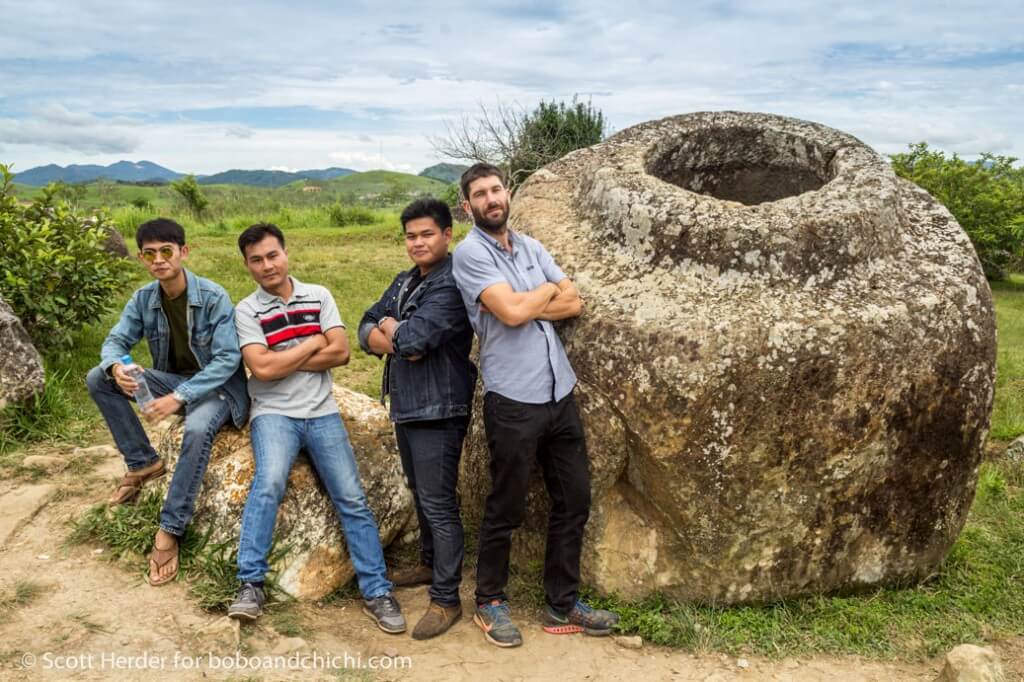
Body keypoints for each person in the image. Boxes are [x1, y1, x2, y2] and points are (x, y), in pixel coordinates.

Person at [451, 164, 619, 648]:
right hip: (514, 399)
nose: (490, 199)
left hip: (558, 393)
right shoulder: (469, 254)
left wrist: (529, 300)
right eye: (479, 194)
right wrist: (539, 295)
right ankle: (490, 600)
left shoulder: (530, 246)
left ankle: (562, 602)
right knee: (506, 505)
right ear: (468, 206)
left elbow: (574, 303)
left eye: (496, 189)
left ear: (508, 194)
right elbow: (515, 312)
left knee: (575, 499)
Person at [227, 222, 404, 634]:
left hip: (322, 411)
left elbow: (340, 352)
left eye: (272, 255)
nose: (267, 265)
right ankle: (250, 583)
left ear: (285, 254)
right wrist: (309, 344)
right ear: (248, 266)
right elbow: (262, 369)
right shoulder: (247, 310)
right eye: (257, 260)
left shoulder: (318, 295)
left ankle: (376, 590)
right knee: (268, 484)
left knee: (352, 497)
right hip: (272, 414)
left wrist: (282, 355)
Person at [86, 217, 249, 586]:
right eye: (149, 254)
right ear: (143, 258)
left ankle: (171, 529)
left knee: (195, 428)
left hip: (219, 387)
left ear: (183, 252)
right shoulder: (143, 298)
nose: (159, 260)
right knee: (98, 377)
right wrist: (116, 368)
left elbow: (227, 360)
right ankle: (143, 463)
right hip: (175, 381)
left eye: (166, 251)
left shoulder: (213, 296)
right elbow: (115, 342)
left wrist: (179, 397)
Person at [358, 198, 476, 640]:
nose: (418, 242)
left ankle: (447, 599)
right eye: (411, 236)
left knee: (440, 504)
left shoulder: (450, 285)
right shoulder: (406, 280)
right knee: (421, 494)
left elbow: (415, 339)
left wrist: (394, 331)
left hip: (439, 408)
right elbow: (364, 325)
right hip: (407, 405)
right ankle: (429, 565)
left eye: (427, 234)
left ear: (448, 235)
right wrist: (389, 330)